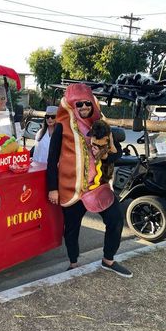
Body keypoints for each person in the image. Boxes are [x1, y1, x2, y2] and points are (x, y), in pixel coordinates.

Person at [47, 83, 132, 278]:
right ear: (71, 106)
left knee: (116, 219)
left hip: (97, 187)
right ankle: (74, 263)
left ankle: (108, 259)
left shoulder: (101, 125)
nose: (84, 107)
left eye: (87, 103)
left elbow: (116, 153)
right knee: (71, 228)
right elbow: (52, 159)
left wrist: (103, 154)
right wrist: (53, 188)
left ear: (93, 103)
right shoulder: (62, 126)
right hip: (71, 187)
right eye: (79, 104)